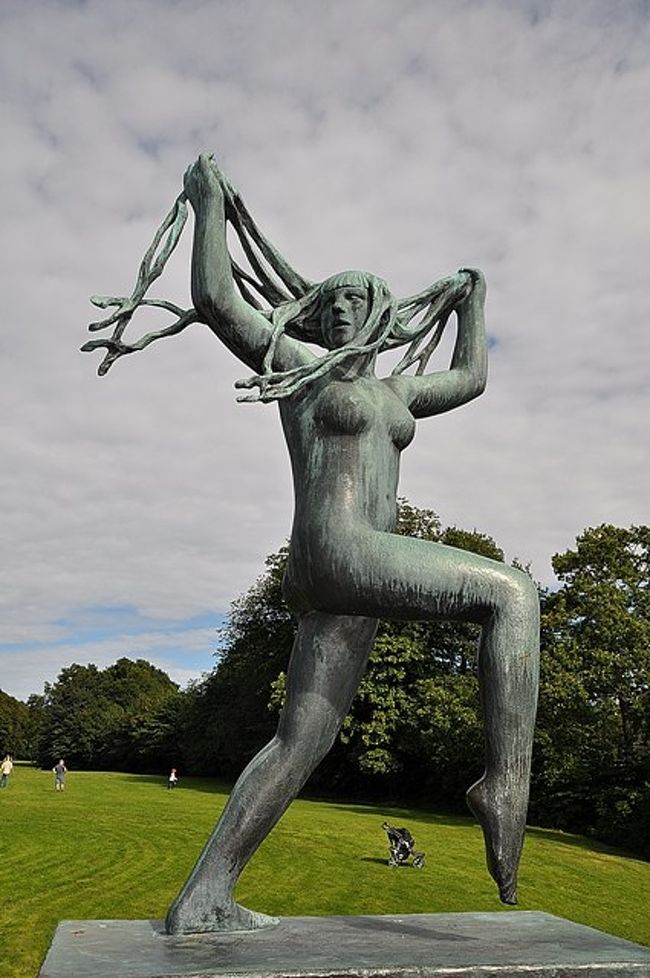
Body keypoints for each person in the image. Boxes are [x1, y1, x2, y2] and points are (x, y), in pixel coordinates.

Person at [84, 154, 540, 934]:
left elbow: (470, 377)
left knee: (301, 741)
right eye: (329, 300)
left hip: (352, 588)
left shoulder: (395, 392)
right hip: (340, 551)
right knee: (513, 593)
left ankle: (203, 897)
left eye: (356, 298)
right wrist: (208, 206)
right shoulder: (301, 369)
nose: (339, 309)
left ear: (380, 314)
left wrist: (475, 300)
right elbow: (218, 300)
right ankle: (503, 784)